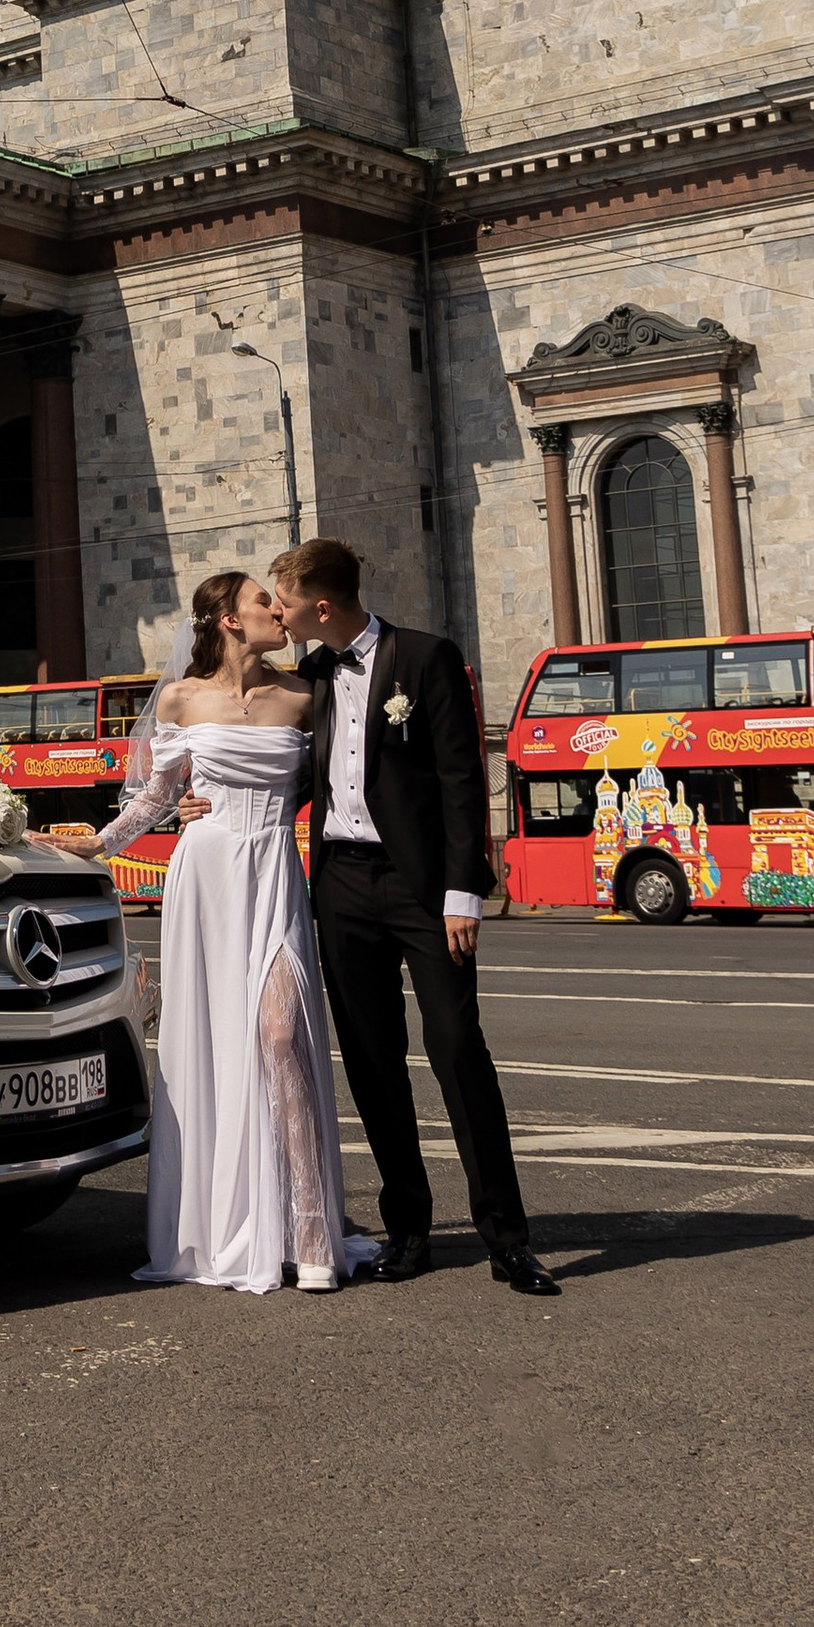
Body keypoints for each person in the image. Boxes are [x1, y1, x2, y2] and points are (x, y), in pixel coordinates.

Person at [63, 566, 378, 1295]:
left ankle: (307, 1228)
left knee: (279, 1036)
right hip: (204, 880)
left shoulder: (304, 692)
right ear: (229, 620)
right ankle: (227, 1222)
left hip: (273, 873)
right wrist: (99, 844)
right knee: (214, 1048)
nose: (278, 609)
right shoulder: (180, 697)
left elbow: (334, 781)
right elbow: (155, 796)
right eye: (263, 601)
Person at [264, 536, 558, 1296]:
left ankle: (508, 1239)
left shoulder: (425, 658)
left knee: (458, 1048)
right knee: (371, 1061)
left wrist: (465, 891)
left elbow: (464, 778)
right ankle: (409, 1230)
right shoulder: (314, 673)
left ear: (320, 604)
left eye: (285, 601)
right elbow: (288, 769)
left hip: (425, 891)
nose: (278, 611)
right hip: (340, 886)